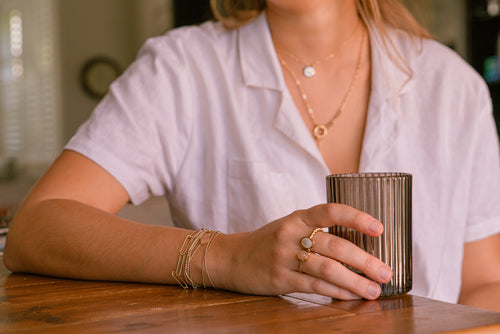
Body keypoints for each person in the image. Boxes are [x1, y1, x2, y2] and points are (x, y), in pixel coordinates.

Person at [4, 0, 500, 311]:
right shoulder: (182, 70)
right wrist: (226, 255)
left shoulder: (454, 88)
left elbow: (483, 283)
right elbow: (37, 228)